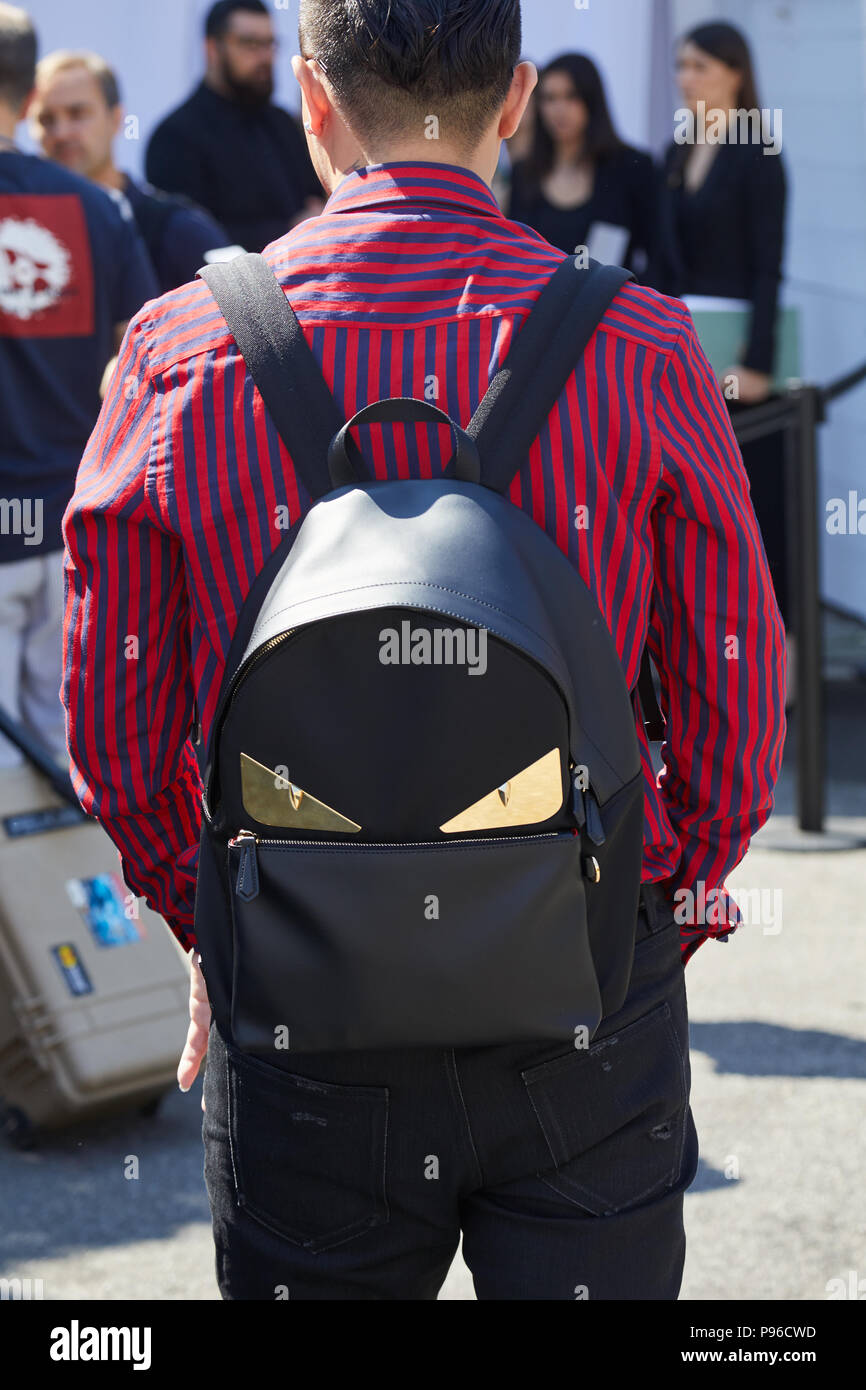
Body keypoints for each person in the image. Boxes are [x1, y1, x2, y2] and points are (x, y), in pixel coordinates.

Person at [62, 0, 785, 1300]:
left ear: (311, 100)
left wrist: (214, 915)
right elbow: (738, 675)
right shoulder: (642, 344)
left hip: (301, 995)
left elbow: (114, 726)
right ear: (513, 100)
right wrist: (651, 909)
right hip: (580, 984)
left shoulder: (178, 350)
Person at [0, 2, 156, 769]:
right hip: (72, 529)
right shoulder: (100, 209)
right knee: (69, 771)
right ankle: (74, 897)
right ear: (30, 101)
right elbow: (139, 366)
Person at [652, 22, 791, 668]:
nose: (686, 78)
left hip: (737, 359)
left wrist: (757, 361)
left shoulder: (759, 152)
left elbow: (769, 266)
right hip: (685, 355)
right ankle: (704, 657)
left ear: (735, 72)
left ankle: (779, 661)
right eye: (681, 65)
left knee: (758, 501)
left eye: (700, 66)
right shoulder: (677, 150)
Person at [29, 49, 234, 295]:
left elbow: (244, 311)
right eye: (46, 119)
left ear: (116, 119)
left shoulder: (179, 229)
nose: (61, 132)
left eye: (77, 114)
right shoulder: (23, 233)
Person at [145, 0, 324, 253]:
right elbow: (184, 240)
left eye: (269, 44)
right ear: (212, 48)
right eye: (250, 44)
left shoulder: (283, 123)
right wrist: (289, 230)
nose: (264, 57)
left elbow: (315, 200)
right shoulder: (174, 137)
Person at [507, 52, 657, 279]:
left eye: (571, 96)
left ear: (591, 99)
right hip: (539, 310)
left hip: (613, 309)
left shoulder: (633, 168)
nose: (560, 109)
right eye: (550, 98)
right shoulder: (524, 173)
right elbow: (515, 258)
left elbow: (658, 258)